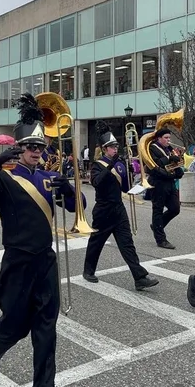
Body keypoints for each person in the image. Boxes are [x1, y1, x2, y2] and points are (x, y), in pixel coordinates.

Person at [0, 93, 84, 387]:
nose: (36, 152)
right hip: (17, 265)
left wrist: (71, 189)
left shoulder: (48, 178)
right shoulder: (4, 178)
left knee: (46, 335)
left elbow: (77, 209)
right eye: (30, 146)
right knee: (15, 327)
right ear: (19, 148)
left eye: (40, 146)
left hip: (45, 263)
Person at [83, 120, 159, 292]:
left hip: (118, 209)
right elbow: (96, 182)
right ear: (104, 148)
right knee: (97, 243)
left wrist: (131, 173)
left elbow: (125, 188)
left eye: (116, 146)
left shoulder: (120, 163)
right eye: (111, 146)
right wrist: (110, 165)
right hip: (103, 210)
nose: (115, 149)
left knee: (127, 243)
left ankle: (139, 277)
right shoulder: (97, 165)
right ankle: (88, 270)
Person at [148, 129, 184, 249]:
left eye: (169, 138)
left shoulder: (169, 150)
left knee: (175, 208)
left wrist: (178, 166)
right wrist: (170, 158)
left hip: (169, 183)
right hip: (158, 183)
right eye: (166, 137)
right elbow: (154, 164)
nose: (169, 140)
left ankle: (158, 225)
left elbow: (174, 167)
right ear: (159, 138)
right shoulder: (152, 148)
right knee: (157, 210)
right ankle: (161, 240)